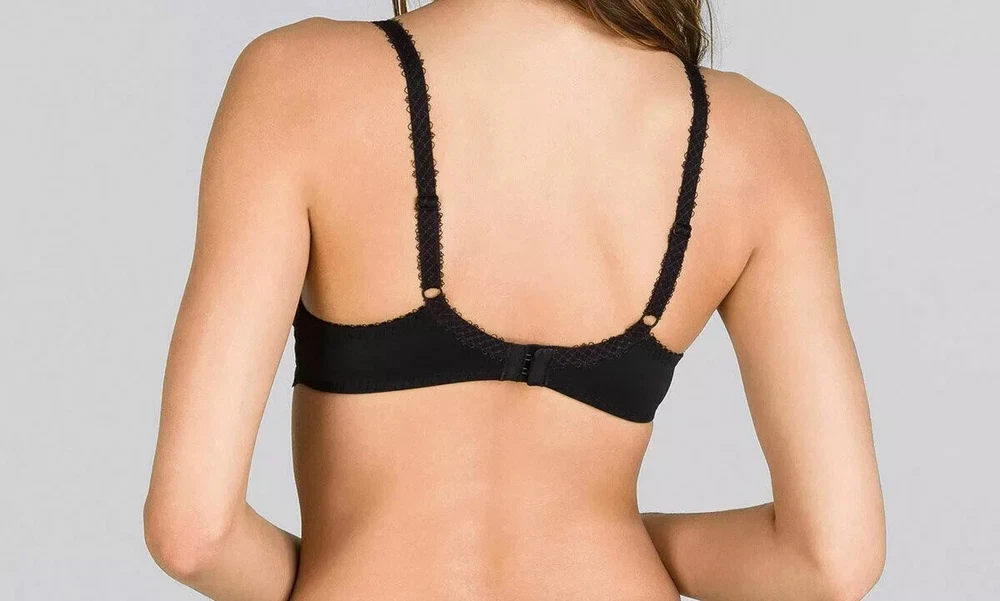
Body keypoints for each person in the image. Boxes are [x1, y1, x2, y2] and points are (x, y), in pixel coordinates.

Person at [143, 0, 886, 599]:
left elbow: (193, 532)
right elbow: (833, 560)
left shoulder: (299, 79)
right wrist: (617, 540)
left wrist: (345, 578)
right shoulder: (757, 141)